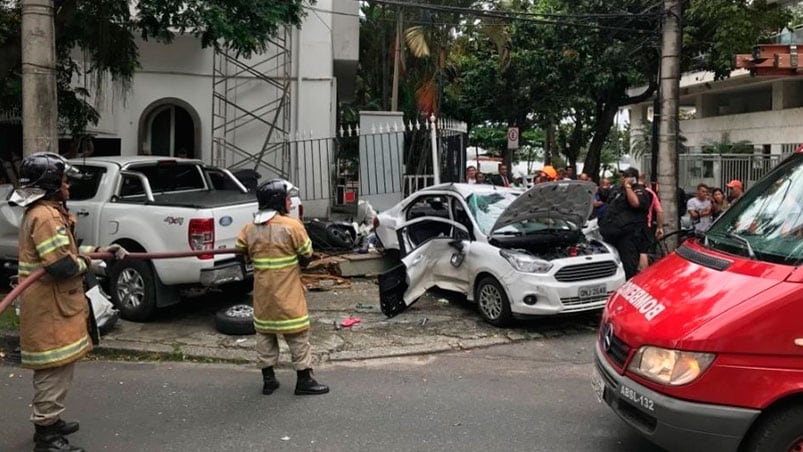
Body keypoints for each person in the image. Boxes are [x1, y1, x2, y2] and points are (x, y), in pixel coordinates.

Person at [14, 152, 127, 452]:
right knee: (53, 371)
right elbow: (61, 265)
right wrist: (93, 265)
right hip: (49, 307)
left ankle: (51, 421)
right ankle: (47, 436)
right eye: (64, 181)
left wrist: (103, 250)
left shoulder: (48, 212)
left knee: (59, 368)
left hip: (55, 306)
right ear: (51, 184)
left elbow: (70, 251)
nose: (68, 187)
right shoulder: (46, 216)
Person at [235, 179, 329, 397]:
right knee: (297, 335)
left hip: (263, 296)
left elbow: (240, 253)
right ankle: (304, 380)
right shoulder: (292, 226)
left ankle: (269, 380)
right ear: (279, 201)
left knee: (265, 335)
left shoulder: (249, 229)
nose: (290, 202)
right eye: (287, 199)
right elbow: (306, 254)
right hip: (288, 295)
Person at [598, 167, 651, 279]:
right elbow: (605, 196)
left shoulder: (638, 190)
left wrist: (628, 187)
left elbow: (636, 203)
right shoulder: (618, 190)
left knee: (629, 266)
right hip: (613, 234)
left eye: (625, 177)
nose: (622, 179)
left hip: (629, 237)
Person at [638, 176, 665, 272]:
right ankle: (642, 274)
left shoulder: (629, 191)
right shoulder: (650, 192)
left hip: (630, 227)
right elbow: (659, 211)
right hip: (646, 226)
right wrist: (660, 227)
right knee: (643, 252)